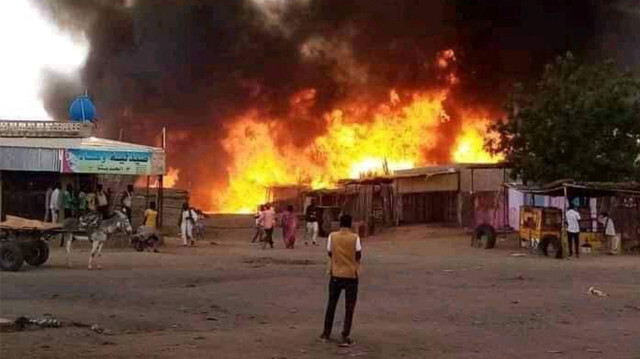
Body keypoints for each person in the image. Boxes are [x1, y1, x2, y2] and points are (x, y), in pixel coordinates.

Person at [320, 214, 362, 347]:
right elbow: (358, 254)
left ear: (339, 224)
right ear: (350, 224)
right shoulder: (355, 237)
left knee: (331, 304)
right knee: (349, 307)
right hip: (351, 275)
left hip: (336, 274)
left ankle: (326, 333)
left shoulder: (332, 236)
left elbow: (329, 252)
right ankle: (345, 334)